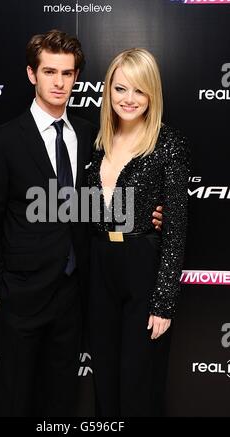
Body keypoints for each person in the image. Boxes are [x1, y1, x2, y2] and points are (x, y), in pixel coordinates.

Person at [0, 29, 163, 417]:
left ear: (76, 77)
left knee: (62, 401)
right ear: (32, 74)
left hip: (74, 295)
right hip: (20, 296)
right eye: (49, 72)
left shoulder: (92, 136)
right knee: (13, 399)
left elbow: (105, 199)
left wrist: (148, 214)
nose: (59, 82)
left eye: (67, 73)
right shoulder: (0, 141)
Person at [87, 48, 190, 417]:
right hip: (100, 264)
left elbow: (176, 227)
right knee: (105, 379)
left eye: (139, 91)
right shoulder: (94, 141)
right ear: (108, 91)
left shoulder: (168, 144)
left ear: (152, 95)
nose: (128, 100)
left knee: (138, 380)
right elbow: (82, 208)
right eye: (120, 89)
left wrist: (164, 301)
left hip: (143, 264)